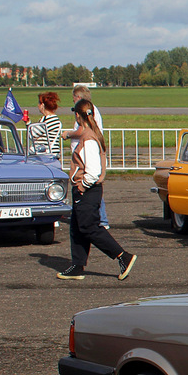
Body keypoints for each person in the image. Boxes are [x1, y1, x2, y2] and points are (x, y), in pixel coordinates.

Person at [56, 100, 136, 281]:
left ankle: (123, 256)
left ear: (77, 116)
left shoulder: (88, 139)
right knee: (77, 228)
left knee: (89, 228)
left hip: (87, 189)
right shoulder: (87, 134)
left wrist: (83, 186)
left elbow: (93, 171)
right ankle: (77, 265)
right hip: (85, 189)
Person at [63, 85, 109, 229]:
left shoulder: (86, 113)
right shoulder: (92, 110)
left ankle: (100, 220)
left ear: (79, 98)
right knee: (94, 190)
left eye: (74, 99)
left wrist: (68, 134)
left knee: (90, 188)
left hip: (85, 159)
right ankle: (97, 219)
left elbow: (83, 131)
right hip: (86, 156)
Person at [27, 92, 63, 159]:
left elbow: (31, 135)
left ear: (42, 105)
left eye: (39, 103)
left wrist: (28, 123)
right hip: (53, 154)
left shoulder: (46, 120)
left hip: (45, 156)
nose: (38, 106)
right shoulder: (55, 119)